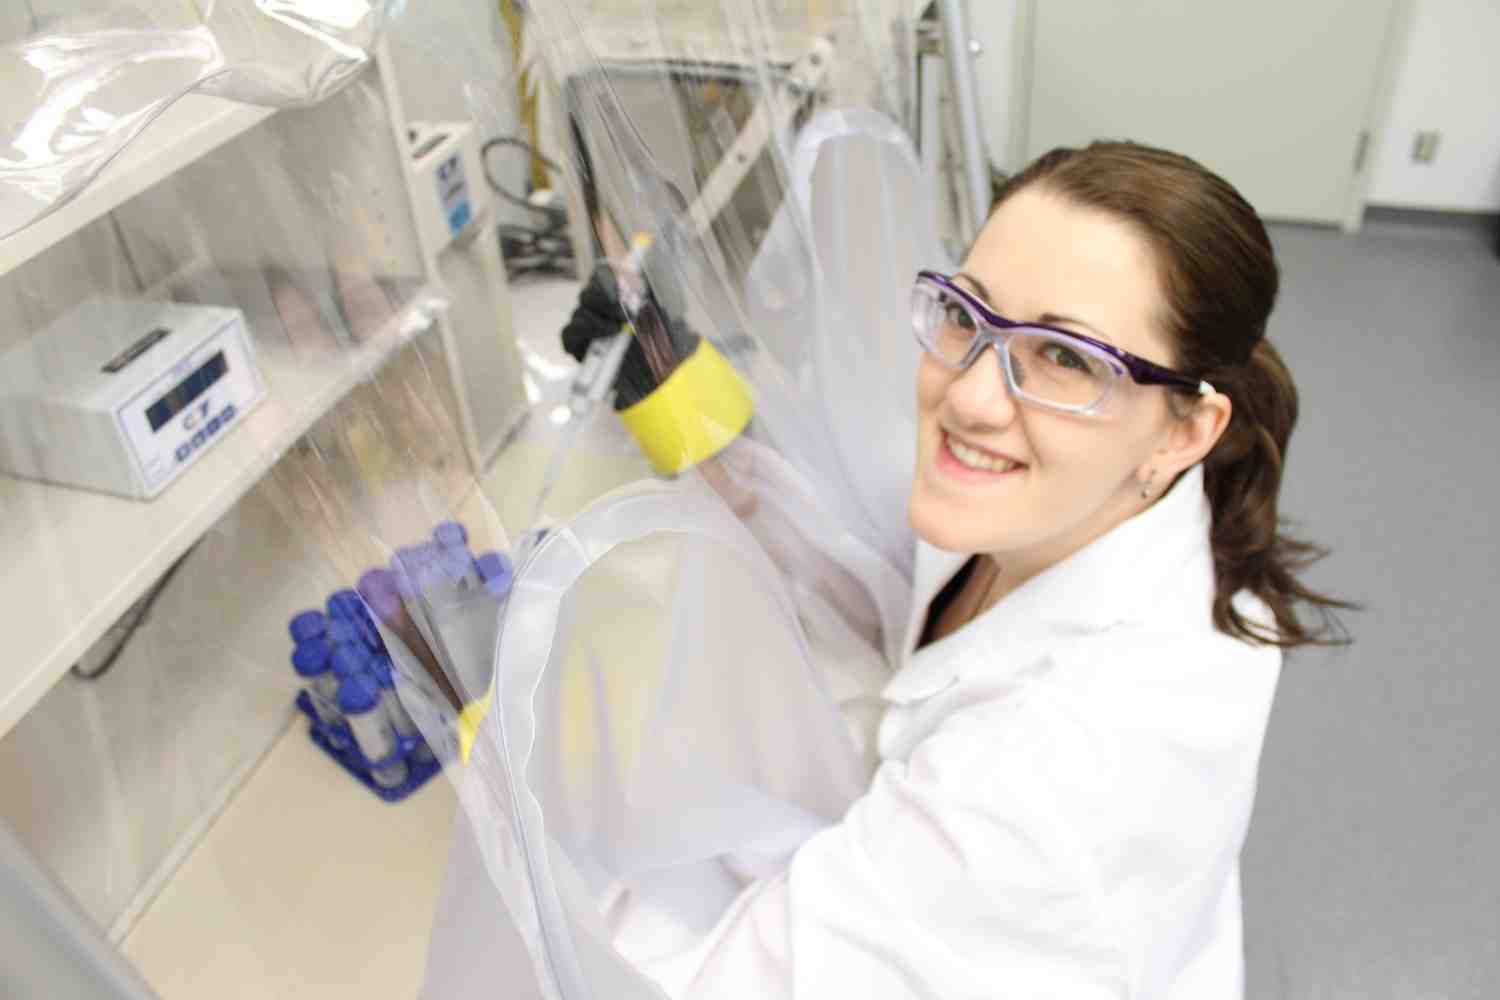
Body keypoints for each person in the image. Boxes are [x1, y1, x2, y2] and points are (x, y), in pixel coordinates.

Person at [545, 140, 1353, 998]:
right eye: (968, 313)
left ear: (1187, 429)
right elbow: (870, 564)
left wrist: (521, 770)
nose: (969, 395)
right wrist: (684, 399)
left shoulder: (1046, 785)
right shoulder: (1091, 503)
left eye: (1068, 358)